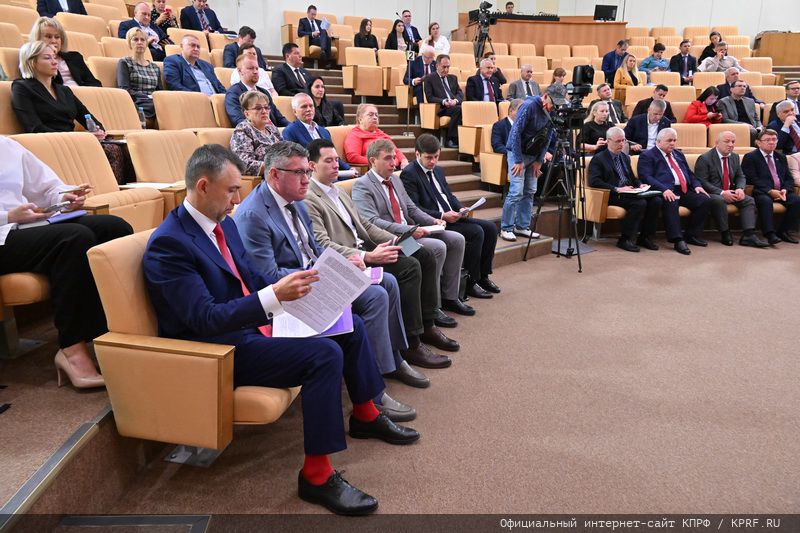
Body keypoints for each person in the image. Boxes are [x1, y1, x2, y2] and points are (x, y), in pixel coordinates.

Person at [143, 144, 419, 516]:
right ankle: (316, 476)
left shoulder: (223, 224)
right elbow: (204, 319)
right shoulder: (169, 244)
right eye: (231, 190)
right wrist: (274, 296)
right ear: (203, 186)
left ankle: (366, 415)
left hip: (254, 325)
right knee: (324, 355)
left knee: (349, 324)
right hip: (219, 349)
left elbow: (251, 276)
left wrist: (292, 294)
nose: (237, 199)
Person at [233, 141, 418, 421]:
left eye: (306, 172)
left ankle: (393, 360)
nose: (306, 179)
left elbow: (316, 249)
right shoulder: (253, 215)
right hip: (293, 294)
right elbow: (267, 277)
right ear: (274, 175)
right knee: (376, 296)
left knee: (389, 281)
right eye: (298, 173)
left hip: (316, 276)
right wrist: (326, 275)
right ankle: (375, 388)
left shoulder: (296, 200)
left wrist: (342, 266)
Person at [304, 138, 454, 369]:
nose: (335, 165)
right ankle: (412, 342)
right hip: (358, 255)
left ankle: (428, 324)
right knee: (409, 267)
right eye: (329, 161)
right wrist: (368, 256)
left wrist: (395, 240)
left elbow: (366, 225)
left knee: (423, 254)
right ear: (313, 166)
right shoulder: (310, 198)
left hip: (373, 244)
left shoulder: (339, 191)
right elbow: (322, 243)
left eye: (336, 160)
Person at [0, 136, 132, 389]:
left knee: (114, 228)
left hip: (20, 227)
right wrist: (8, 215)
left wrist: (65, 197)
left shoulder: (6, 145)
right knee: (73, 239)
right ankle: (72, 349)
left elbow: (46, 188)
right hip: (2, 234)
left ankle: (114, 335)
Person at [351, 140, 472, 318]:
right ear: (372, 161)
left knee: (456, 239)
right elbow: (372, 222)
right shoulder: (362, 185)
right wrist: (406, 230)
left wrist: (433, 220)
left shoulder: (395, 179)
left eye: (394, 157)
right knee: (437, 248)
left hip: (409, 230)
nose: (393, 163)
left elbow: (412, 208)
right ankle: (433, 306)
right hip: (393, 238)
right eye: (387, 158)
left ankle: (450, 296)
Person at [401, 134, 500, 297]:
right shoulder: (409, 173)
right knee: (476, 232)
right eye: (429, 158)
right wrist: (442, 215)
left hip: (452, 217)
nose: (433, 161)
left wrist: (461, 208)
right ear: (417, 154)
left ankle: (483, 276)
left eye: (436, 157)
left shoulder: (438, 170)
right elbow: (415, 208)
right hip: (435, 222)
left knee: (490, 228)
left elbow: (449, 196)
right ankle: (470, 281)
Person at [636, 128, 711, 255]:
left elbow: (689, 173)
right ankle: (677, 240)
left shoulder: (678, 154)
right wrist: (664, 189)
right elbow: (646, 176)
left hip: (683, 189)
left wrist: (697, 185)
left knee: (704, 200)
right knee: (671, 202)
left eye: (674, 140)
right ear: (658, 141)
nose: (672, 143)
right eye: (669, 140)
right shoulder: (648, 155)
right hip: (664, 190)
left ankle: (691, 235)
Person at [587, 127, 661, 252]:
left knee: (656, 200)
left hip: (629, 192)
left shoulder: (625, 157)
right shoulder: (599, 159)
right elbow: (594, 181)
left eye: (623, 140)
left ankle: (645, 237)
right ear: (608, 141)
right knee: (639, 203)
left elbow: (632, 178)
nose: (621, 144)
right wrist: (617, 189)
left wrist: (640, 185)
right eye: (618, 141)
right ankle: (625, 239)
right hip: (612, 194)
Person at [12, 42, 106, 137]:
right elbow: (35, 128)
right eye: (47, 58)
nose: (55, 62)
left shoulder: (64, 90)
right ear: (31, 62)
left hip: (73, 140)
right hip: (49, 142)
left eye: (55, 57)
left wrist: (99, 132)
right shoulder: (21, 87)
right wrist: (79, 137)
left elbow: (88, 118)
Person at [694, 130, 769, 247]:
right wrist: (722, 192)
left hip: (731, 190)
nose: (730, 144)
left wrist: (740, 188)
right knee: (719, 200)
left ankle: (748, 235)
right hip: (713, 193)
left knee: (749, 200)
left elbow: (740, 176)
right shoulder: (704, 158)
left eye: (733, 142)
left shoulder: (734, 156)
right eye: (727, 141)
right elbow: (702, 182)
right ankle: (725, 232)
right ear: (717, 143)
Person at [500, 93, 557, 242]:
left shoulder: (553, 109)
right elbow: (515, 133)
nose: (553, 107)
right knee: (516, 191)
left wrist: (539, 160)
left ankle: (522, 226)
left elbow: (548, 137)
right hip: (517, 153)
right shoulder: (529, 106)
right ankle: (506, 228)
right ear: (545, 96)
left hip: (534, 154)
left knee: (530, 190)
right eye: (553, 103)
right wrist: (518, 160)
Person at [741, 129, 800, 244]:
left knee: (797, 201)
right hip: (761, 192)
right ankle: (769, 233)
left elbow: (788, 178)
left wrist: (785, 189)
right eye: (768, 140)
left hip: (781, 192)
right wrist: (769, 191)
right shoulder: (751, 157)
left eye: (774, 139)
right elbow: (751, 178)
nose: (771, 142)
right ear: (758, 142)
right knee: (765, 201)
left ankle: (783, 231)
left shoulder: (781, 157)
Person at [282, 92, 355, 177]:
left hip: (334, 174)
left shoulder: (324, 131)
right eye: (304, 106)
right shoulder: (290, 131)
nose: (309, 109)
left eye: (311, 106)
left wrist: (349, 168)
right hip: (312, 176)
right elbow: (295, 161)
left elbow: (334, 156)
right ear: (295, 112)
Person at [29, 17, 101, 87]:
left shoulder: (75, 57)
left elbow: (94, 83)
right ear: (37, 39)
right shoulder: (35, 60)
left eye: (57, 37)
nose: (54, 41)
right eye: (48, 36)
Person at [229, 91, 282, 176]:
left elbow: (285, 151)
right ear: (247, 114)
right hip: (265, 178)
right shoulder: (243, 130)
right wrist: (277, 167)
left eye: (266, 107)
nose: (264, 111)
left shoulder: (272, 128)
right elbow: (243, 164)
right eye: (258, 108)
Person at [225, 55, 287, 127]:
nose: (255, 72)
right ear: (240, 71)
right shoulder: (233, 93)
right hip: (252, 132)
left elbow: (279, 118)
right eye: (251, 68)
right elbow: (238, 120)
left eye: (257, 68)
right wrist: (263, 129)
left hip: (273, 131)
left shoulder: (264, 92)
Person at [117, 27, 163, 124]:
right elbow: (124, 89)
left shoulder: (155, 67)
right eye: (135, 39)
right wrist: (147, 97)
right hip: (137, 101)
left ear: (146, 43)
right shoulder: (124, 62)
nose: (139, 42)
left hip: (155, 101)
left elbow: (160, 91)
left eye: (142, 40)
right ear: (129, 43)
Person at [344, 104, 409, 168]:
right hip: (373, 169)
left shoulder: (381, 134)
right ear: (360, 119)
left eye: (376, 115)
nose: (375, 117)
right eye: (370, 115)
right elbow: (353, 157)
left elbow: (396, 151)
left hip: (393, 167)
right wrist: (379, 162)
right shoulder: (355, 135)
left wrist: (404, 160)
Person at [421, 55, 462, 149]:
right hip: (441, 108)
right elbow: (430, 97)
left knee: (463, 109)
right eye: (444, 67)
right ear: (437, 66)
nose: (446, 70)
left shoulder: (453, 78)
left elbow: (459, 93)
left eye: (448, 67)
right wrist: (444, 101)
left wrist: (455, 101)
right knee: (458, 110)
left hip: (454, 105)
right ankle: (450, 139)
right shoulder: (429, 78)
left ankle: (464, 139)